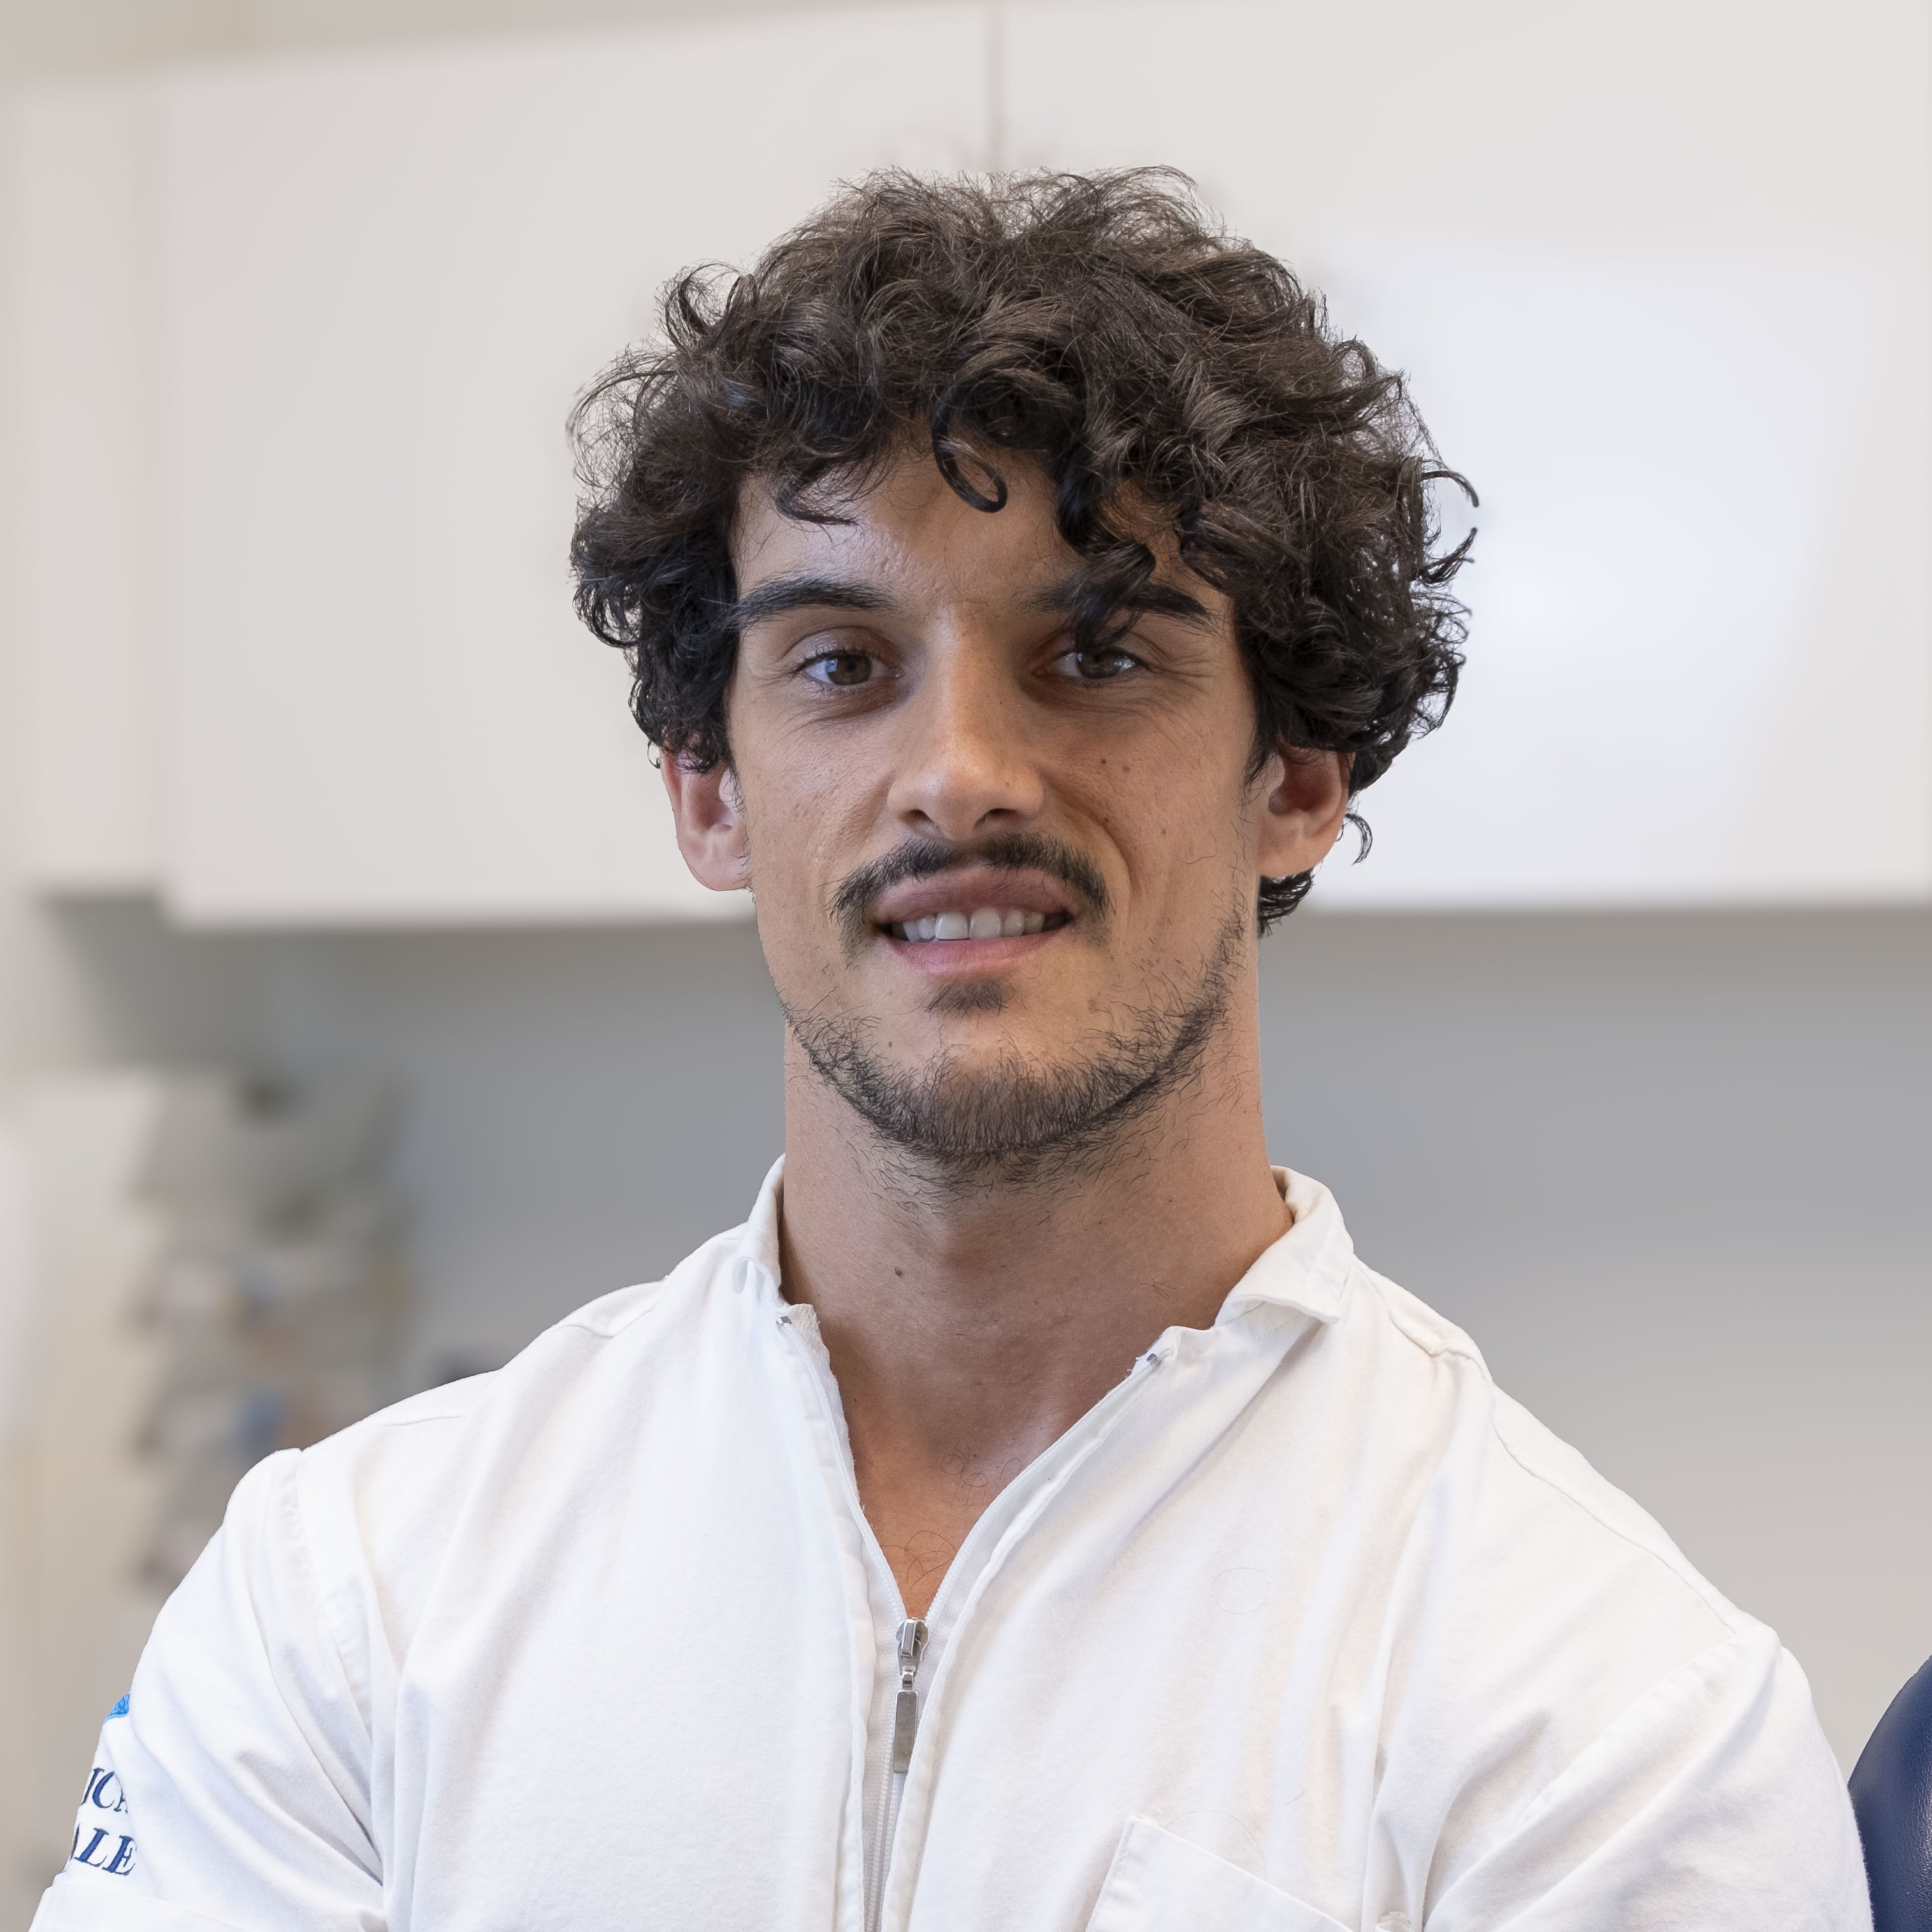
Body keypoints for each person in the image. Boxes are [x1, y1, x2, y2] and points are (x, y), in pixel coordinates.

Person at [36, 171, 1868, 1932]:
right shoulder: (348, 1596)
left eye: (1099, 652)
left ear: (1297, 777)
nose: (964, 773)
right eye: (842, 663)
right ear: (711, 793)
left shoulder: (1605, 1723)